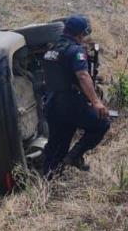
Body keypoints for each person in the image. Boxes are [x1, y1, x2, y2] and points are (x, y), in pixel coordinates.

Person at [42, 15, 110, 177]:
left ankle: (48, 179)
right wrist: (96, 101)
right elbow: (82, 76)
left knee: (58, 143)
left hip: (52, 103)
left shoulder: (51, 50)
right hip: (70, 103)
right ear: (80, 34)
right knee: (101, 124)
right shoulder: (75, 50)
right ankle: (74, 156)